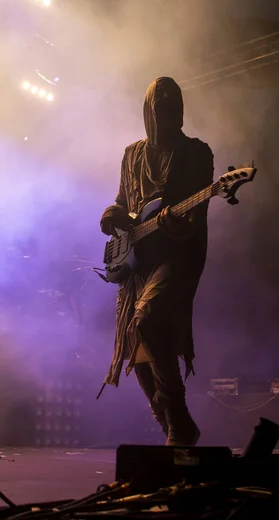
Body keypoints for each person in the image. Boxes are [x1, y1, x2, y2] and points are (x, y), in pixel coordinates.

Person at [99, 76, 214, 446]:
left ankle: (175, 414)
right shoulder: (131, 153)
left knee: (148, 320)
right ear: (149, 109)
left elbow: (196, 215)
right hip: (137, 259)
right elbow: (122, 201)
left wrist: (175, 226)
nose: (168, 109)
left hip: (177, 253)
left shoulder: (197, 152)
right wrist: (110, 214)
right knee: (136, 342)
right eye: (160, 103)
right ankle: (173, 428)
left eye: (174, 102)